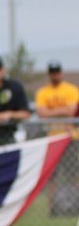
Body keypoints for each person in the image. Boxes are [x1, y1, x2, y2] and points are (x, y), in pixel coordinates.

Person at [34, 62, 79, 216]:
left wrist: (51, 111)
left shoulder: (71, 90)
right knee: (51, 176)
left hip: (70, 138)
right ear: (49, 74)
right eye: (52, 72)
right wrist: (63, 111)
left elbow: (72, 111)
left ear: (61, 73)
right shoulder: (43, 92)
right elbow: (41, 114)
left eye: (57, 72)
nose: (55, 75)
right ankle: (51, 209)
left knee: (73, 174)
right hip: (51, 139)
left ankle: (76, 206)